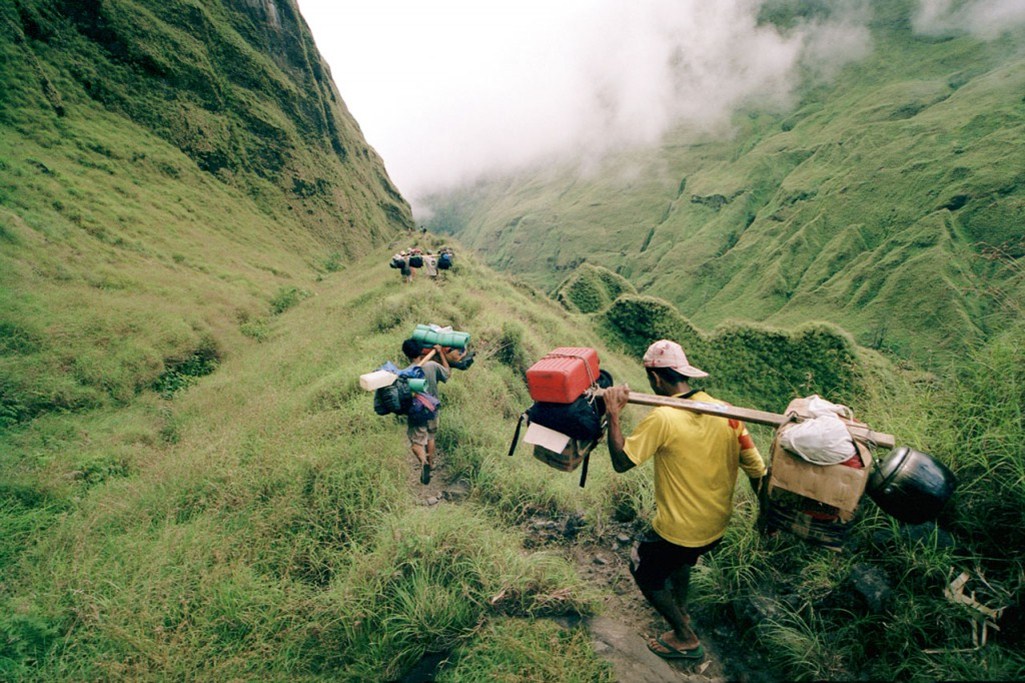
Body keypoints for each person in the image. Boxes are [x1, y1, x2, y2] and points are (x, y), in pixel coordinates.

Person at [602, 339, 767, 662]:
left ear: (656, 379)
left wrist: (613, 414)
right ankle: (682, 609)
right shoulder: (728, 412)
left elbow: (622, 462)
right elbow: (757, 470)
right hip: (716, 526)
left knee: (642, 566)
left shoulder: (663, 418)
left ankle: (684, 636)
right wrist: (767, 515)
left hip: (680, 531)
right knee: (681, 560)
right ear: (683, 373)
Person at [402, 338, 451, 484]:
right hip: (432, 408)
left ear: (406, 354)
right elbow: (447, 374)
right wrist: (441, 353)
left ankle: (423, 462)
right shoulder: (432, 365)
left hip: (416, 411)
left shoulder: (406, 373)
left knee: (417, 442)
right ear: (422, 351)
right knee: (430, 437)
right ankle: (431, 463)